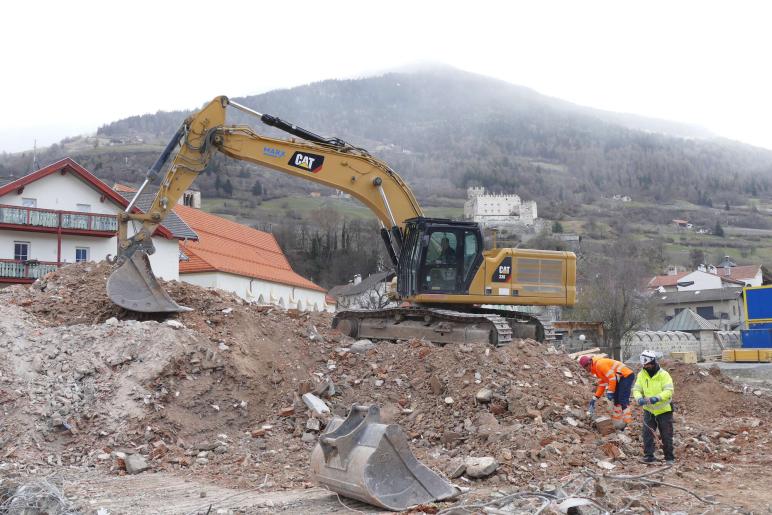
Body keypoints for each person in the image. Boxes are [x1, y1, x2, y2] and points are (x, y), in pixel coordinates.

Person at [633, 350, 675, 465]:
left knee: (666, 434)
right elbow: (636, 389)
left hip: (664, 410)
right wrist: (639, 398)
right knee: (647, 433)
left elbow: (669, 391)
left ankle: (669, 458)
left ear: (653, 363)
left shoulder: (664, 375)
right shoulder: (642, 374)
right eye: (644, 365)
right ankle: (649, 456)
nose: (646, 367)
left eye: (648, 365)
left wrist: (657, 398)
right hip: (649, 410)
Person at [578, 355, 635, 430]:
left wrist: (610, 391)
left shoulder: (599, 364)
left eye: (585, 368)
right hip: (619, 377)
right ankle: (618, 423)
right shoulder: (596, 369)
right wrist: (595, 398)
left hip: (626, 375)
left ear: (588, 364)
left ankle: (628, 423)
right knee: (616, 400)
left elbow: (612, 378)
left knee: (622, 399)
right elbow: (602, 384)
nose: (586, 370)